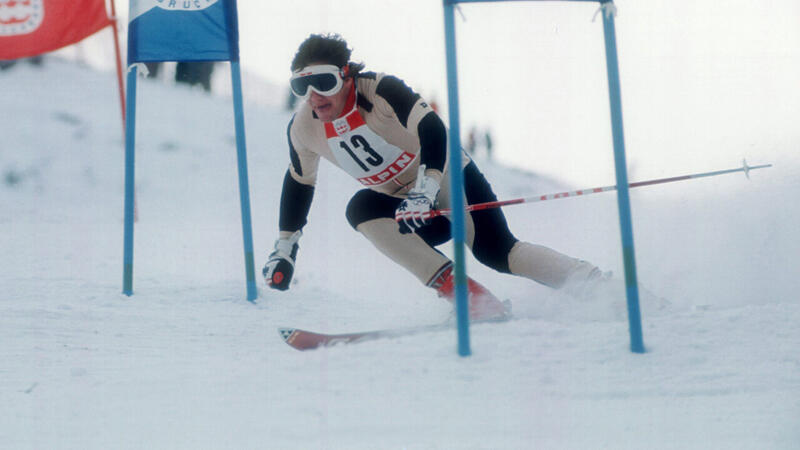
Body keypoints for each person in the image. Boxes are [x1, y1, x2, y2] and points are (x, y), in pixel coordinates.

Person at [262, 34, 602, 320]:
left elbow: (433, 129)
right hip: (407, 209)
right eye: (301, 86)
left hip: (448, 178)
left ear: (346, 75)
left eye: (323, 82)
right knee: (361, 209)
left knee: (498, 253)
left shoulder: (381, 91)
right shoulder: (303, 127)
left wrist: (426, 187)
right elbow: (299, 181)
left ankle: (599, 286)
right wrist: (285, 248)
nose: (314, 96)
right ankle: (470, 299)